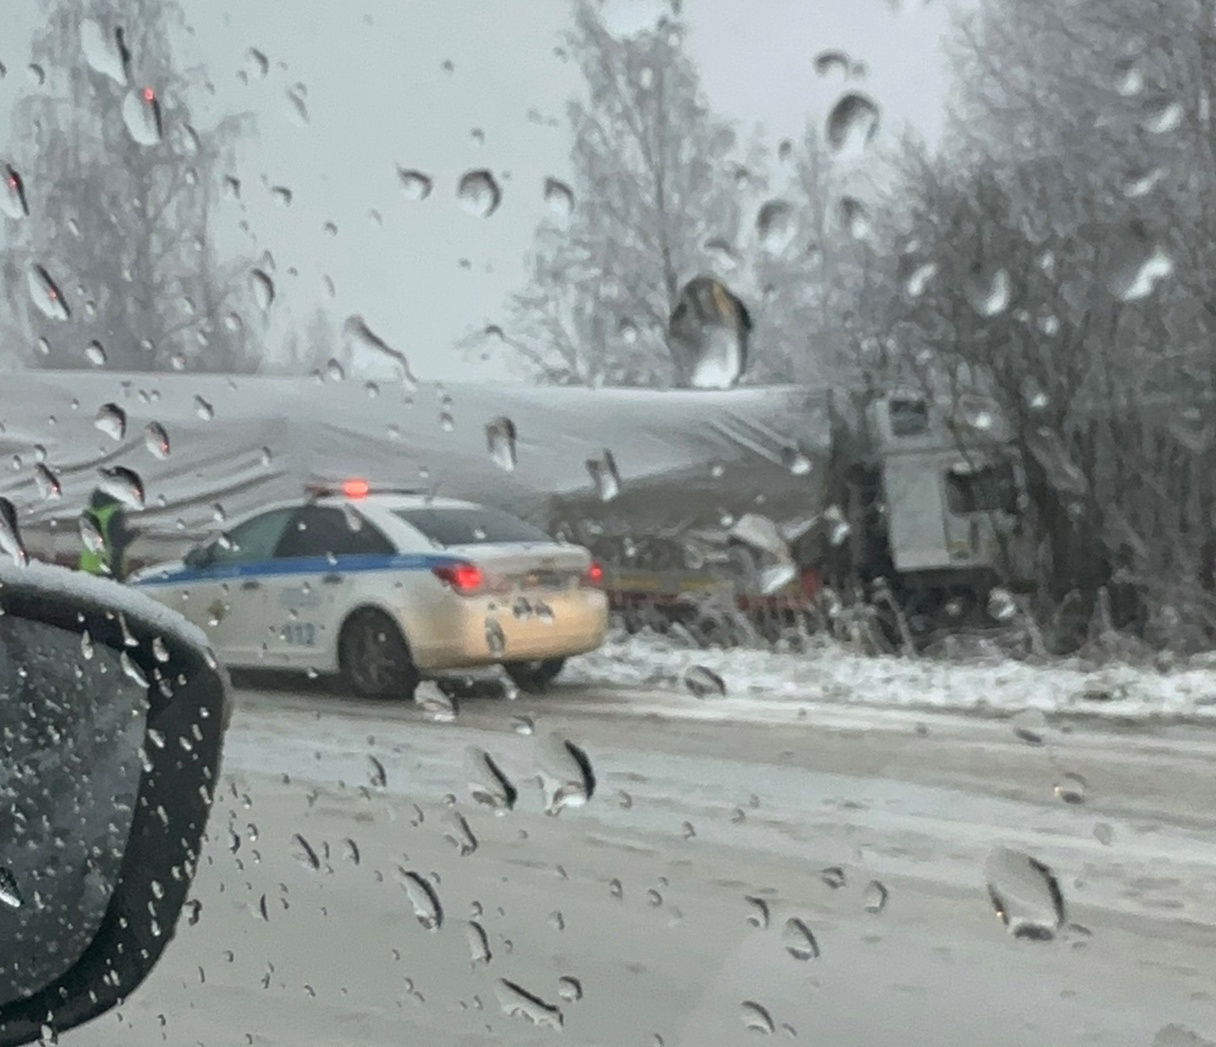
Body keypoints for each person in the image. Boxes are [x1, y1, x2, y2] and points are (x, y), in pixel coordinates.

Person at [78, 488, 139, 582]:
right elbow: (118, 542)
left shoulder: (87, 514)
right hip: (108, 568)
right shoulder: (114, 514)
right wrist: (133, 534)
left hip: (87, 566)